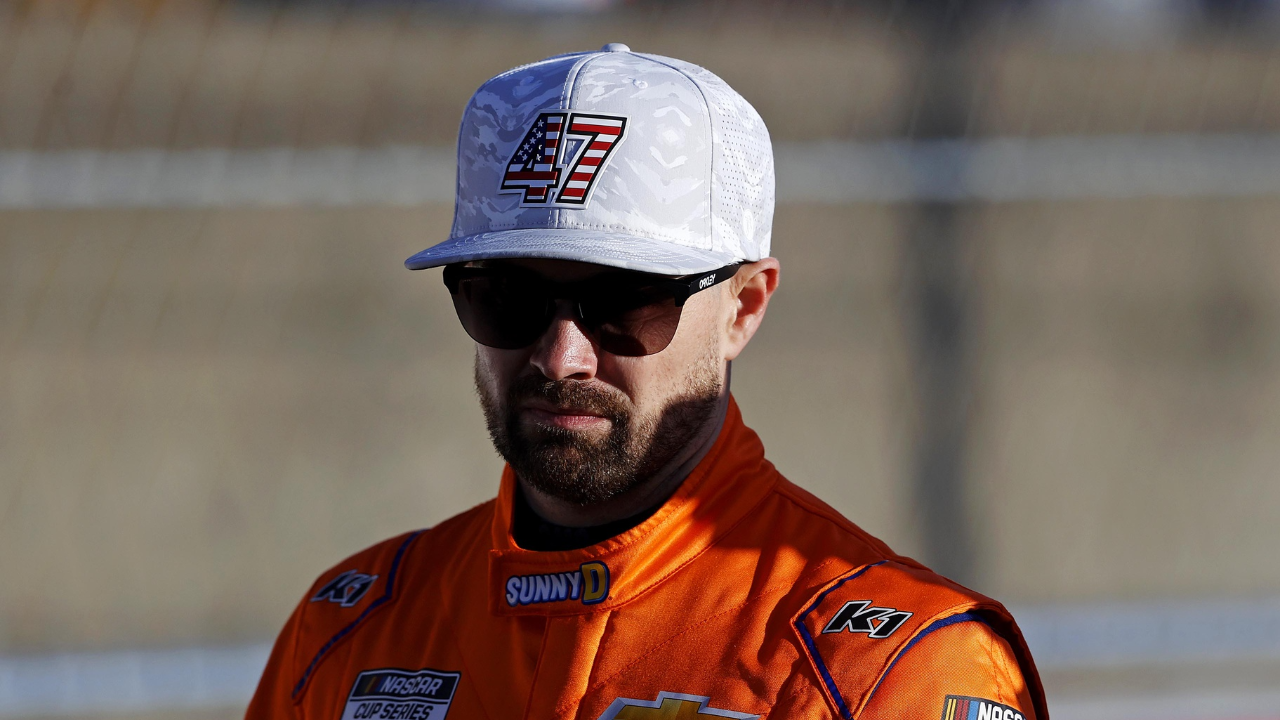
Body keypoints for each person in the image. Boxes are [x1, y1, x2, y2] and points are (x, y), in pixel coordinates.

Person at [247, 44, 1046, 720]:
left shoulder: (896, 673)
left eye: (626, 303)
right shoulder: (348, 633)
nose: (562, 357)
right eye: (507, 297)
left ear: (743, 307)